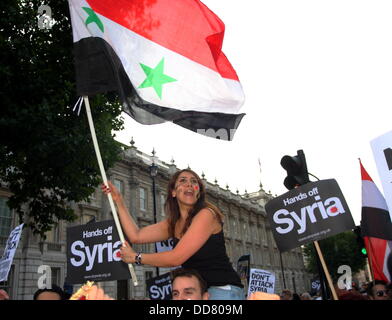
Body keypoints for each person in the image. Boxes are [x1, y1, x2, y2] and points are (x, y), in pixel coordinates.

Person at [102, 169, 244, 300]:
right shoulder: (173, 223)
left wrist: (136, 257)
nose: (189, 184)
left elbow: (176, 257)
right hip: (198, 291)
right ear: (173, 192)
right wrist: (119, 201)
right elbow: (136, 235)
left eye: (194, 182)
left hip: (223, 290)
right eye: (183, 181)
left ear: (198, 192)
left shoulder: (206, 214)